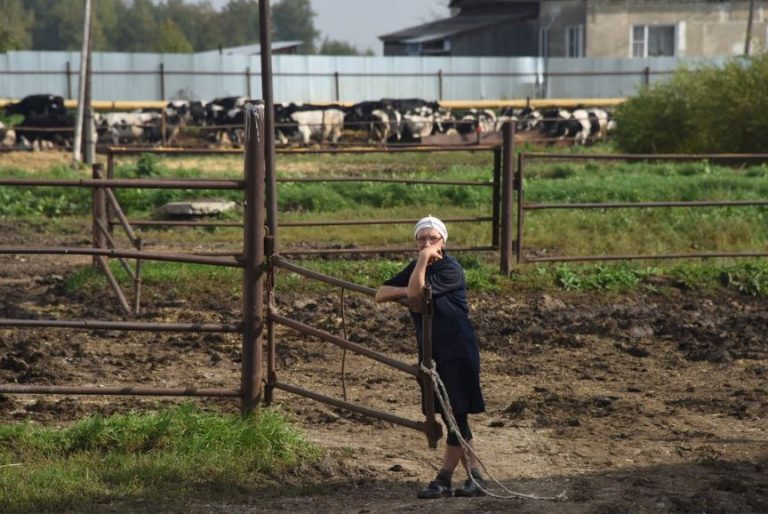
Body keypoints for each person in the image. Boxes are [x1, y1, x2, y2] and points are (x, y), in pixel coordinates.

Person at [375, 215, 487, 499]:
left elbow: (417, 295)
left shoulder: (451, 269)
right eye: (421, 239)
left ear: (443, 241)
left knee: (455, 416)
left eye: (432, 238)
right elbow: (381, 293)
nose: (426, 243)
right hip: (432, 354)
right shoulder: (416, 268)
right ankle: (475, 477)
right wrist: (414, 275)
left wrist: (423, 261)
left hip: (457, 351)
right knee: (453, 417)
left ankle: (444, 479)